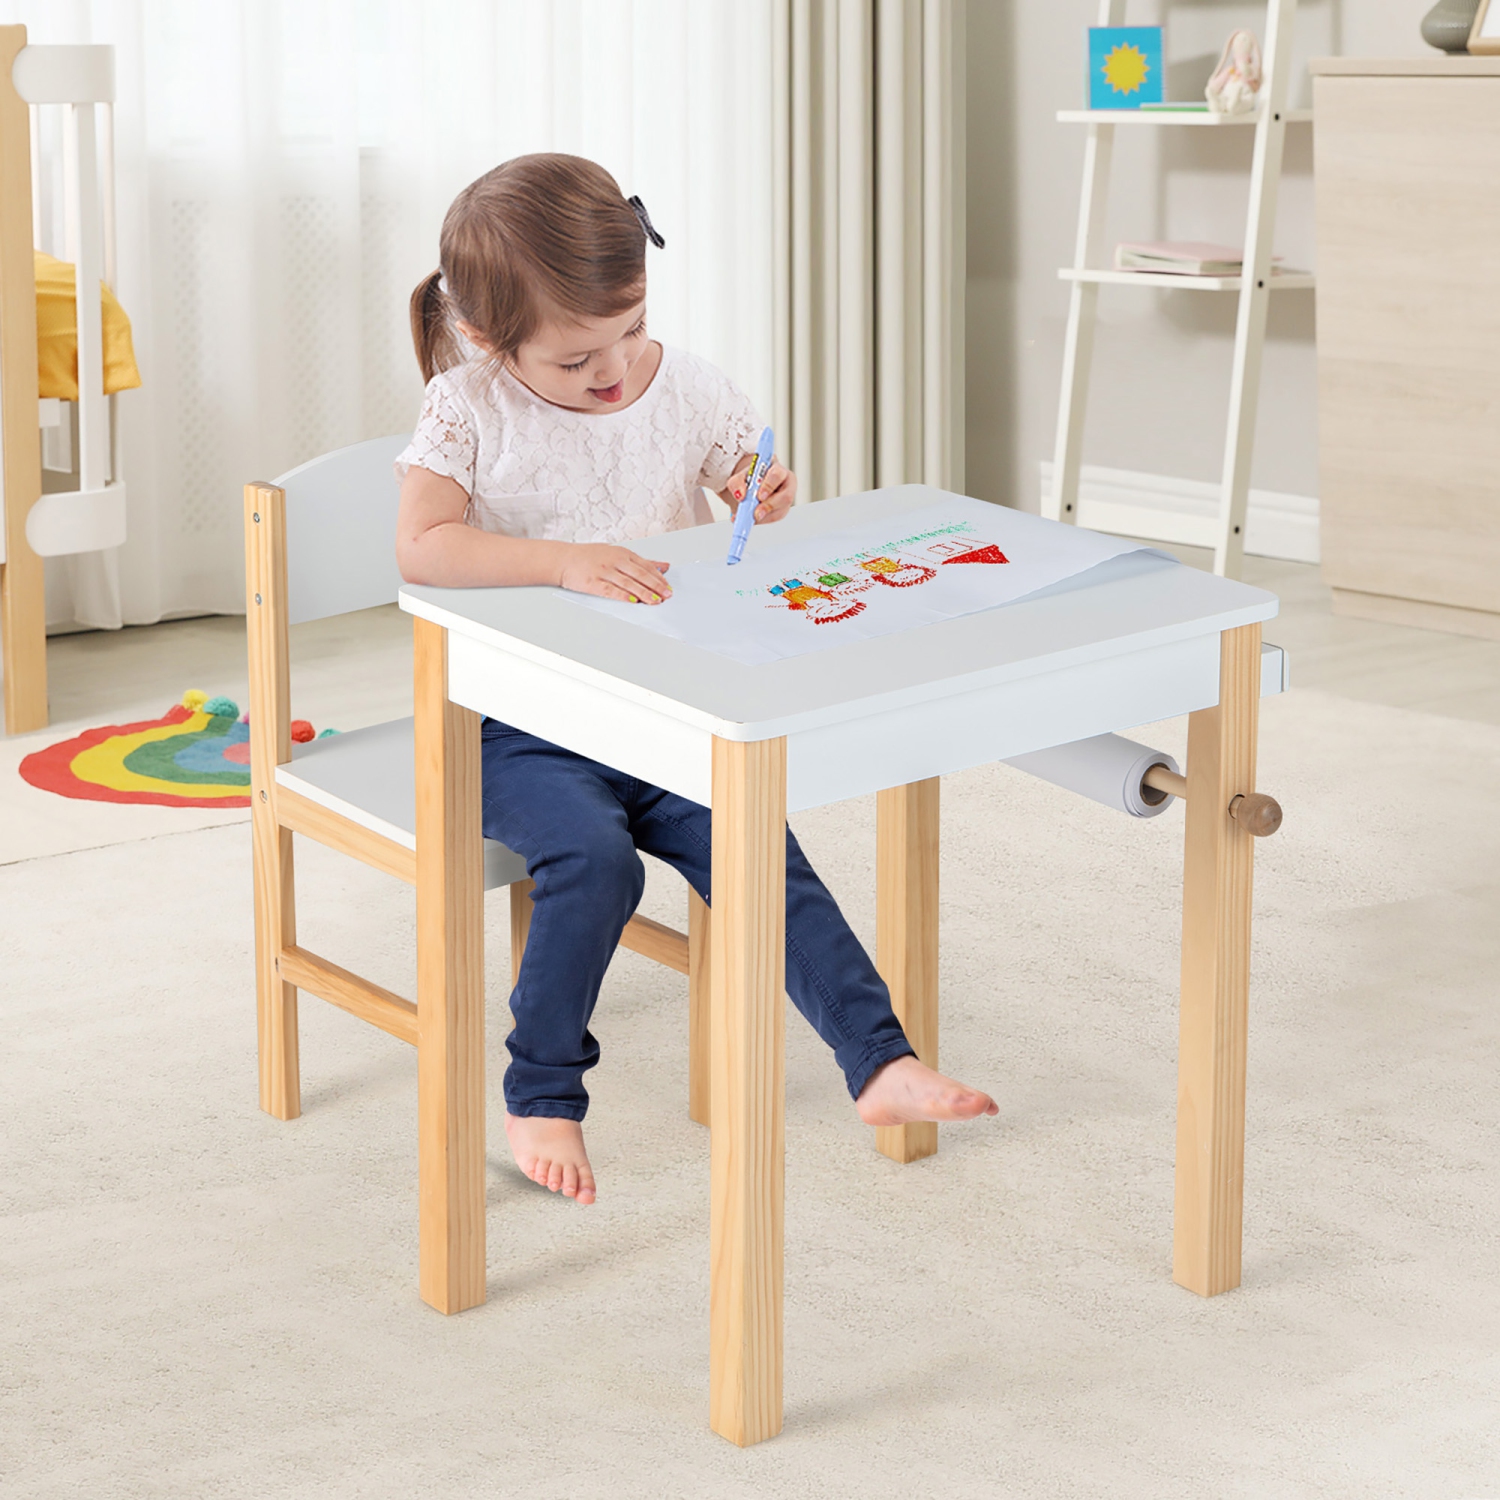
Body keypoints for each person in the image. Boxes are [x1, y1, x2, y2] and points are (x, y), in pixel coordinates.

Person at [394, 153, 996, 1206]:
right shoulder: (467, 406)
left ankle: (880, 1062)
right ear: (492, 339)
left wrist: (758, 488)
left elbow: (737, 481)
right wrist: (560, 561)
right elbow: (423, 546)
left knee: (760, 852)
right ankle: (542, 1091)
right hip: (517, 721)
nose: (617, 369)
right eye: (580, 359)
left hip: (664, 704)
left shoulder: (687, 384)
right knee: (593, 860)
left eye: (630, 330)